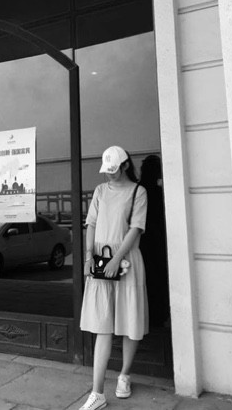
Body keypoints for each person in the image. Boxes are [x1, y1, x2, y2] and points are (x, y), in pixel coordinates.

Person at [79, 146, 148, 410]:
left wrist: (117, 259)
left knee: (130, 321)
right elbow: (91, 224)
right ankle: (97, 392)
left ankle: (124, 375)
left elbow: (136, 228)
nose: (110, 174)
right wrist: (89, 257)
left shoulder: (138, 192)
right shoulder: (100, 191)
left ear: (125, 165)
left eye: (114, 169)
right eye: (107, 170)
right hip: (101, 261)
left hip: (126, 260)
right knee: (102, 325)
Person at [139, 155, 169, 327]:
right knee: (158, 278)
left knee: (146, 279)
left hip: (142, 242)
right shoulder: (158, 192)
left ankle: (147, 315)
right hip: (156, 241)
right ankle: (158, 315)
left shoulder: (137, 190)